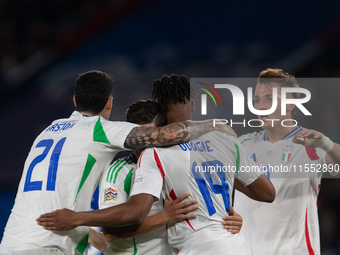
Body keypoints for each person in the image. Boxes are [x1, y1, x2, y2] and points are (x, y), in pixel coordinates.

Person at [0, 70, 233, 255]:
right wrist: (214, 124)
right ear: (110, 103)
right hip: (49, 246)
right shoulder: (100, 130)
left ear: (74, 100)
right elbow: (167, 135)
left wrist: (86, 229)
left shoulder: (47, 132)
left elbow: (52, 197)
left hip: (12, 240)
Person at [234, 68, 340, 255]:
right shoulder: (243, 145)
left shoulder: (310, 143)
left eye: (270, 99)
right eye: (257, 100)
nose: (261, 106)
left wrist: (327, 143)